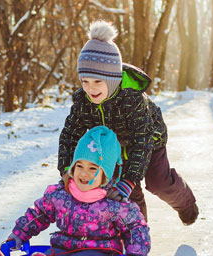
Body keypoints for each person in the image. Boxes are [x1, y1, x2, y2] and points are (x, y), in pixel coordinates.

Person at [0, 126, 150, 256]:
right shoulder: (61, 194)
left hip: (99, 252)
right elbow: (38, 214)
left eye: (93, 168)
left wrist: (137, 254)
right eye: (79, 165)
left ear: (106, 174)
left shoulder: (114, 203)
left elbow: (136, 227)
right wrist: (18, 235)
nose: (84, 173)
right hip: (61, 247)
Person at [58, 20, 198, 224]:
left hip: (148, 141)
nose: (91, 88)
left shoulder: (132, 100)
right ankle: (136, 239)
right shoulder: (83, 103)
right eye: (85, 81)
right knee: (124, 193)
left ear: (113, 79)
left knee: (158, 183)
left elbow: (142, 140)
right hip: (110, 147)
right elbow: (69, 135)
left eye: (98, 81)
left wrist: (131, 179)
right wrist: (66, 169)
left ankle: (186, 203)